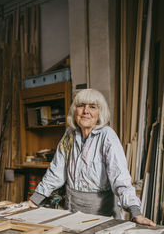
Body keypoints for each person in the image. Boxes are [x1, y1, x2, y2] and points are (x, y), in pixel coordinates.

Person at [26, 89, 155, 226]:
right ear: (75, 111)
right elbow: (56, 172)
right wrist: (34, 200)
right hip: (72, 209)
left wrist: (135, 212)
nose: (85, 111)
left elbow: (120, 177)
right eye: (81, 105)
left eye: (92, 107)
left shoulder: (107, 136)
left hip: (101, 215)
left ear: (100, 113)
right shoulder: (69, 135)